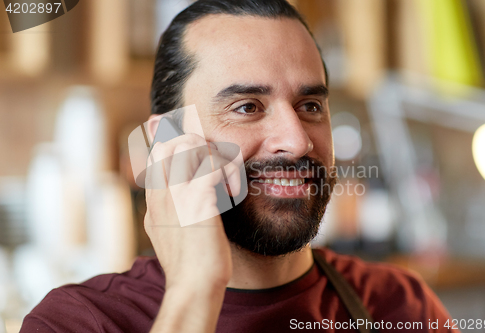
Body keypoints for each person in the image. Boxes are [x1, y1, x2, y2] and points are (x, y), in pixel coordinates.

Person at [21, 0, 458, 332]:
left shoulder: (400, 307)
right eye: (247, 107)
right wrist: (195, 290)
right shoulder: (77, 322)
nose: (297, 140)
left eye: (310, 105)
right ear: (166, 142)